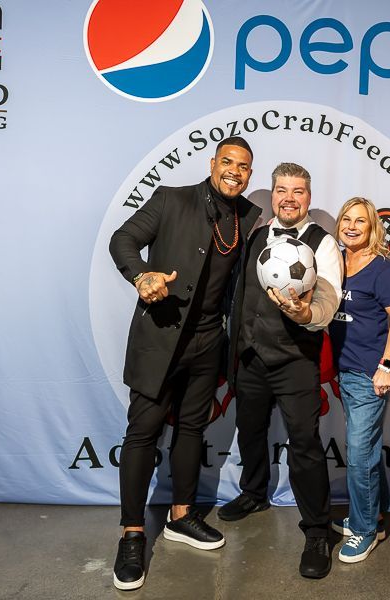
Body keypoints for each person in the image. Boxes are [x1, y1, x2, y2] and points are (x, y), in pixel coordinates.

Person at [108, 137, 261, 591]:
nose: (236, 171)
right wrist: (141, 275)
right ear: (212, 163)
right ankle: (132, 535)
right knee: (143, 433)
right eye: (228, 162)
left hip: (209, 342)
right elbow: (123, 239)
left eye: (245, 166)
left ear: (251, 175)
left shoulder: (247, 217)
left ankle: (181, 516)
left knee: (193, 430)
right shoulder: (171, 198)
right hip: (161, 337)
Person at [219, 162, 343, 579]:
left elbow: (328, 299)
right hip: (250, 357)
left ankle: (316, 532)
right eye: (282, 190)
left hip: (294, 360)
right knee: (249, 430)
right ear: (272, 194)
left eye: (299, 191)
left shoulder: (322, 243)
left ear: (309, 197)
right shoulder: (254, 232)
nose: (290, 198)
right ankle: (254, 493)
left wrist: (307, 311)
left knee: (305, 445)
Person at [327, 197, 390, 563]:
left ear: (373, 227)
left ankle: (364, 531)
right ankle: (375, 512)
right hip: (342, 371)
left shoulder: (382, 269)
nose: (352, 225)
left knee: (359, 456)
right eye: (346, 218)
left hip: (367, 375)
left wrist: (386, 366)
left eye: (361, 220)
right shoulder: (335, 262)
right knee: (367, 449)